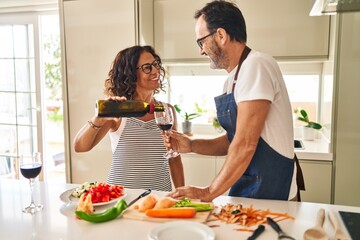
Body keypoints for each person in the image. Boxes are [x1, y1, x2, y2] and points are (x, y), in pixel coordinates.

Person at [166, 0, 304, 201]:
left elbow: (246, 142)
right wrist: (192, 144)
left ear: (221, 35)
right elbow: (233, 140)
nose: (201, 51)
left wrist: (208, 192)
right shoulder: (233, 80)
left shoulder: (257, 65)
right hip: (250, 187)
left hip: (272, 190)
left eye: (201, 41)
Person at [73, 45, 184, 192]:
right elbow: (80, 147)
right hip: (121, 198)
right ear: (130, 74)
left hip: (159, 197)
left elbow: (174, 157)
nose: (156, 70)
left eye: (155, 64)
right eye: (147, 67)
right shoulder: (118, 111)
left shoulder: (166, 111)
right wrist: (99, 118)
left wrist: (183, 193)